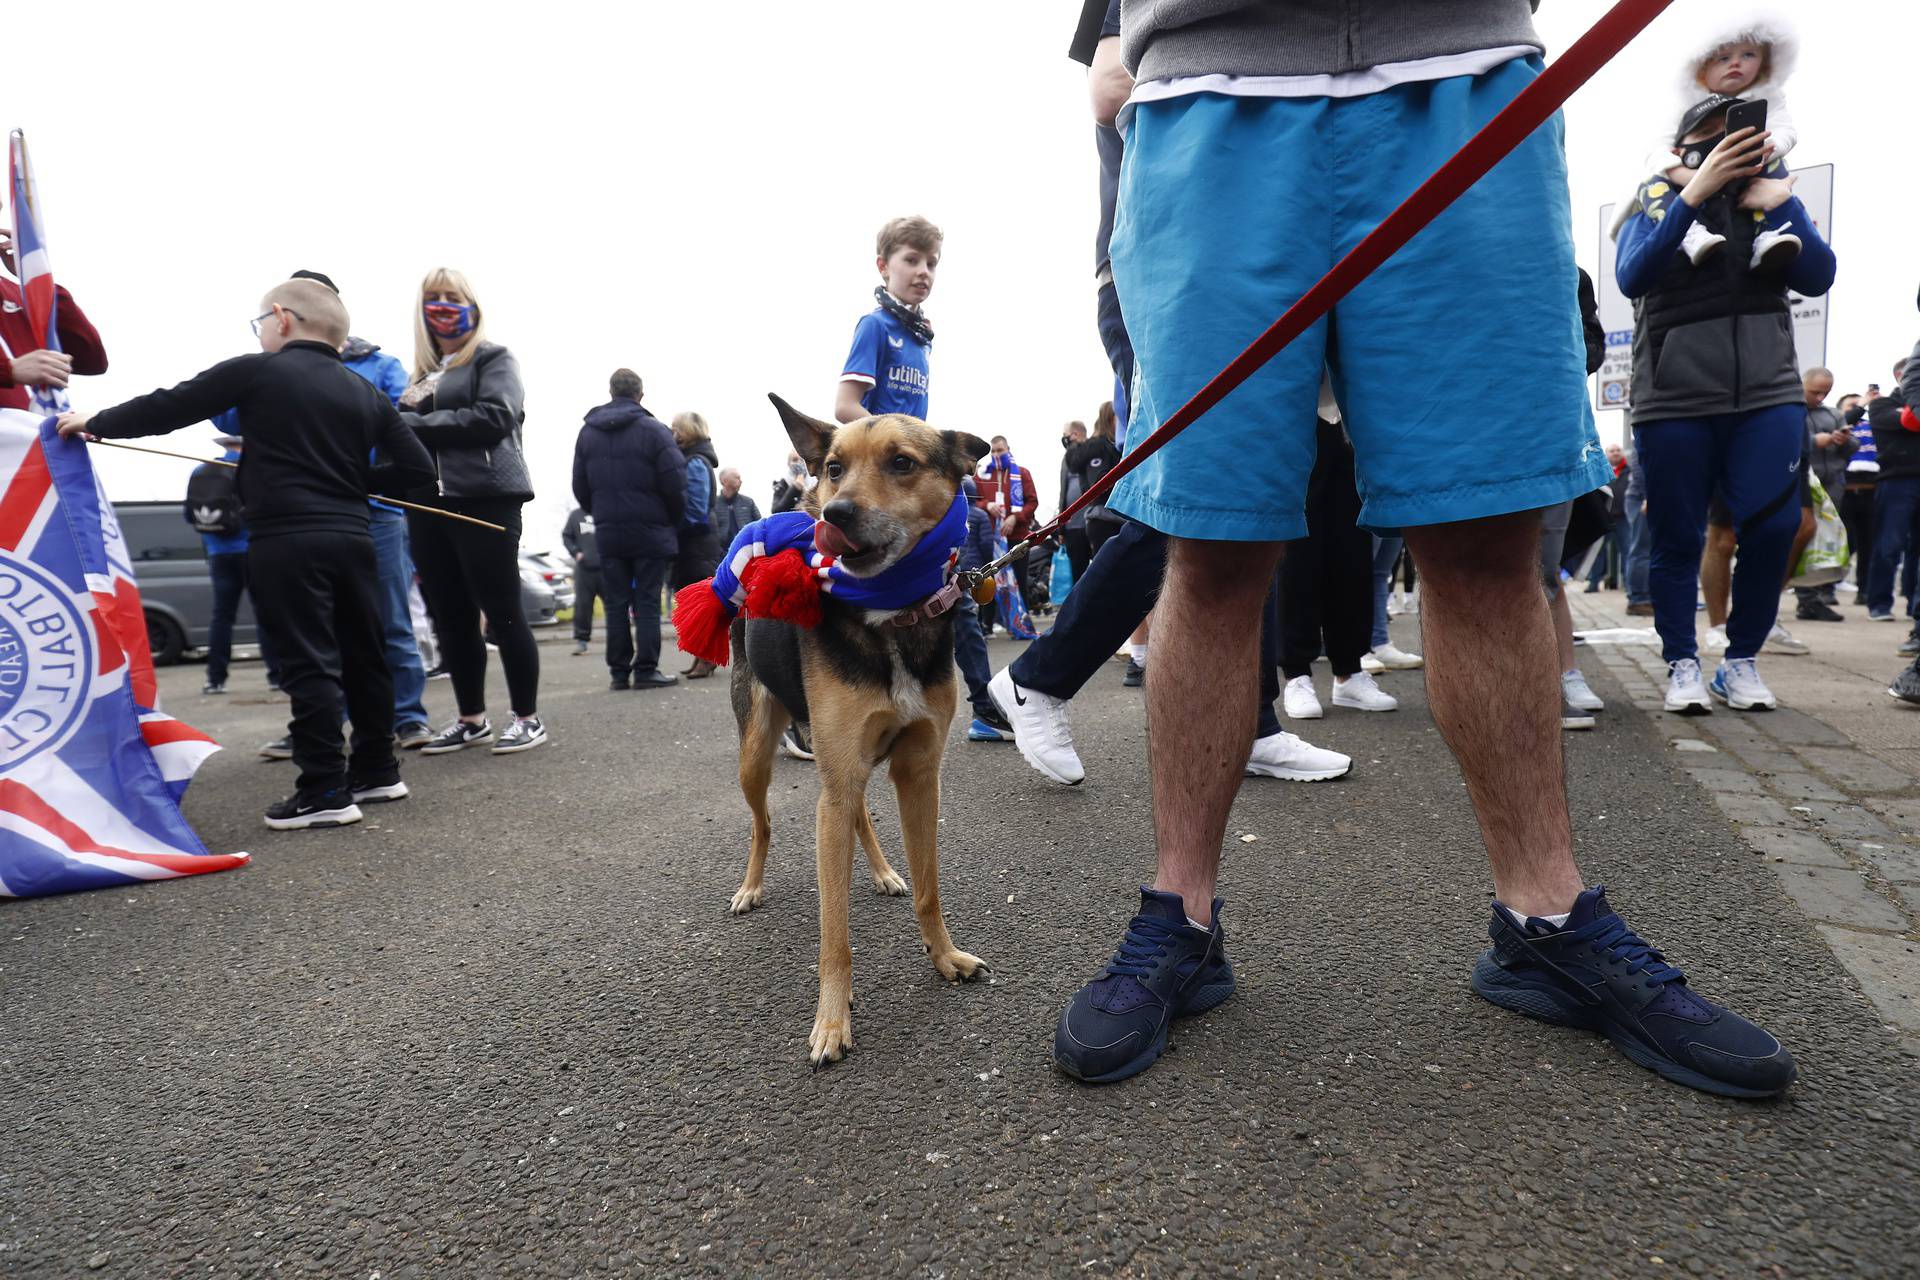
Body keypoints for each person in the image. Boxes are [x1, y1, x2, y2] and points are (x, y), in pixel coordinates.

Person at [1052, 2, 1798, 1102]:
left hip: (1463, 78)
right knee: (1208, 545)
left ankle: (1544, 918)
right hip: (1210, 105)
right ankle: (1181, 913)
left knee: (1491, 535)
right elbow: (1103, 68)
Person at [61, 278, 435, 829]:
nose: (259, 331)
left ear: (281, 319)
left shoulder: (257, 370)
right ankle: (377, 769)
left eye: (260, 321)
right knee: (364, 653)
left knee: (306, 660)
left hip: (287, 538)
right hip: (354, 537)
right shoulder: (366, 392)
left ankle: (325, 789)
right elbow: (419, 472)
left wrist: (96, 423)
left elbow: (171, 405)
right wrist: (356, 479)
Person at [1618, 97, 1836, 717]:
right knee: (1677, 536)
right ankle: (1682, 662)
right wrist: (1692, 197)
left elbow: (1819, 276)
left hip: (1767, 394)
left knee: (1773, 527)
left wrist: (1784, 202)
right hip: (1674, 398)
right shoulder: (1654, 198)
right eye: (1708, 135)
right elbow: (1632, 274)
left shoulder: (1772, 200)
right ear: (1684, 145)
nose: (1725, 143)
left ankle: (1740, 661)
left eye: (1735, 132)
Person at [398, 268, 545, 755]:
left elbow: (495, 416)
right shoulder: (420, 374)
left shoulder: (493, 358)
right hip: (426, 502)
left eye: (451, 297)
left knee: (502, 611)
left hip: (485, 497)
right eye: (432, 298)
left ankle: (527, 716)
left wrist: (410, 425)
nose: (441, 306)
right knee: (450, 616)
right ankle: (470, 718)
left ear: (472, 305)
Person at [287, 269, 435, 751]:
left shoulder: (381, 365)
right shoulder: (272, 366)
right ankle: (330, 722)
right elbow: (226, 410)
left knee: (391, 618)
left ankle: (409, 716)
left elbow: (400, 421)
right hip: (309, 513)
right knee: (319, 627)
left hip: (378, 512)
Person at [1609, 16, 1803, 272]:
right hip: (1692, 174)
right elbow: (1657, 148)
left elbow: (1785, 131)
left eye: (1748, 54)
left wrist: (1765, 152)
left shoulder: (1770, 98)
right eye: (1723, 58)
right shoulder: (1683, 104)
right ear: (1701, 69)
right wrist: (1688, 177)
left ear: (1764, 63)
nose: (1735, 62)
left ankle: (1768, 235)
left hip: (1750, 169)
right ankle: (1692, 233)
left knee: (1779, 164)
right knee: (1651, 184)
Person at [572, 368, 685, 691]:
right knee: (647, 601)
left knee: (616, 602)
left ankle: (619, 672)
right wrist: (670, 521)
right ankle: (646, 669)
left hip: (608, 532)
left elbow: (580, 486)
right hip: (651, 531)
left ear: (611, 392)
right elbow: (675, 484)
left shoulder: (587, 433)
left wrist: (602, 513)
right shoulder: (654, 431)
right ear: (640, 394)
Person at [184, 428, 277, 696]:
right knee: (264, 613)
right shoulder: (252, 469)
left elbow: (189, 516)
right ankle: (276, 675)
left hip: (217, 553)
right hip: (252, 548)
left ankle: (215, 679)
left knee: (222, 616)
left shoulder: (200, 471)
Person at [836, 216, 938, 426]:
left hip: (911, 451)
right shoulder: (875, 325)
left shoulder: (923, 335)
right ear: (883, 266)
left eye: (931, 263)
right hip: (877, 451)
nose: (923, 271)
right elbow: (845, 406)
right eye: (911, 260)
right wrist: (899, 436)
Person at [0, 229, 108, 411]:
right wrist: (8, 371)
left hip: (32, 435)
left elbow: (90, 359)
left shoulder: (19, 293)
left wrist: (33, 274)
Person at [955, 476, 1014, 743]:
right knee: (966, 622)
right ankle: (984, 708)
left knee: (964, 619)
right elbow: (986, 542)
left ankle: (985, 709)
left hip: (949, 566)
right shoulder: (977, 514)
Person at [1865, 358, 1919, 630]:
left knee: (1917, 551)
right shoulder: (1881, 405)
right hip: (1896, 482)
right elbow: (1910, 422)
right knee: (1889, 545)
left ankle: (1914, 605)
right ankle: (1879, 603)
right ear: (1902, 376)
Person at [670, 411, 725, 679]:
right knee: (695, 602)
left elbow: (695, 509)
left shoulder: (695, 462)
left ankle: (707, 658)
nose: (672, 433)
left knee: (700, 602)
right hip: (696, 541)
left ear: (687, 431)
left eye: (675, 428)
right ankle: (701, 656)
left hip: (696, 541)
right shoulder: (695, 460)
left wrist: (672, 528)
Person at [562, 506, 601, 656]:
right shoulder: (575, 515)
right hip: (584, 569)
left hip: (607, 568)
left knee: (616, 606)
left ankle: (622, 642)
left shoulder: (605, 510)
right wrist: (575, 552)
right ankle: (582, 642)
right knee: (583, 606)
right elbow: (566, 536)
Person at [714, 467, 761, 547]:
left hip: (747, 551)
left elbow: (760, 526)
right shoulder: (714, 504)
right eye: (737, 477)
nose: (741, 480)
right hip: (721, 554)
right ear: (724, 480)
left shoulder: (748, 502)